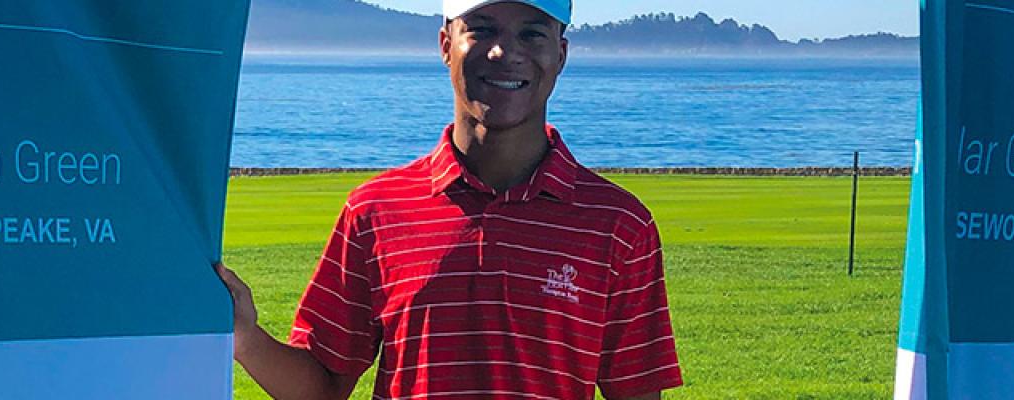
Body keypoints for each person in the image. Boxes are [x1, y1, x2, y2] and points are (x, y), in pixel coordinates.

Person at [215, 0, 682, 398]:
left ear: (560, 55)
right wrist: (246, 339)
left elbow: (636, 390)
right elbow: (321, 385)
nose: (505, 53)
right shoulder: (375, 210)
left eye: (532, 34)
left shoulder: (618, 223)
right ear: (445, 45)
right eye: (481, 30)